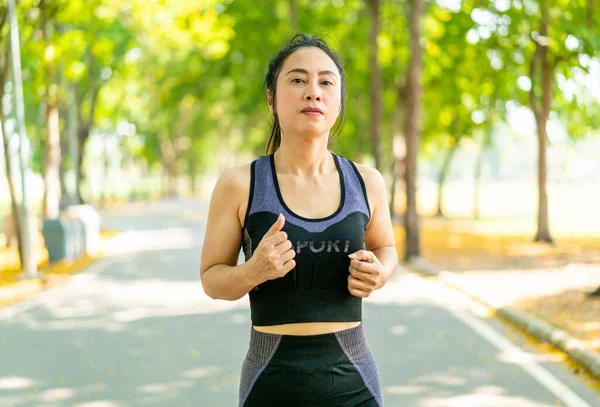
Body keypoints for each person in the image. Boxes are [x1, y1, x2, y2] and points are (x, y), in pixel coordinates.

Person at [199, 33, 399, 407]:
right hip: (269, 384)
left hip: (354, 383)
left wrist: (381, 271)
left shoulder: (367, 181)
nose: (313, 92)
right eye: (297, 79)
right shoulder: (240, 184)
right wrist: (252, 271)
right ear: (271, 99)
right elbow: (212, 279)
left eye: (326, 81)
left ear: (338, 101)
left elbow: (385, 247)